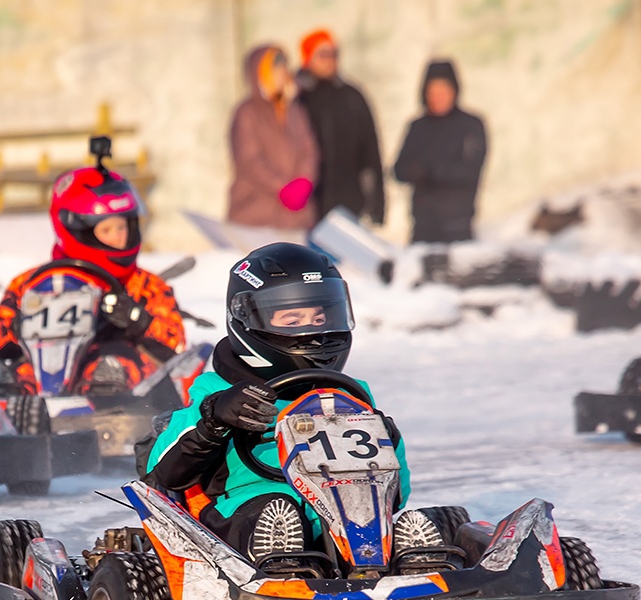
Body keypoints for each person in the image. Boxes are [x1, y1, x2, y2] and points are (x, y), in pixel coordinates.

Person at [144, 242, 425, 563]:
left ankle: (426, 560)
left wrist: (387, 435)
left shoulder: (350, 395)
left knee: (434, 520)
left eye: (320, 319)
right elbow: (161, 473)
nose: (314, 334)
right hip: (242, 518)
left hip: (344, 518)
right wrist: (214, 419)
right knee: (278, 510)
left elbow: (397, 491)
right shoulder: (215, 390)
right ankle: (283, 562)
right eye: (293, 322)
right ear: (247, 318)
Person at [0, 155, 186, 395]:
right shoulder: (31, 283)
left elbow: (176, 343)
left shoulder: (143, 285)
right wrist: (16, 326)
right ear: (81, 231)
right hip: (43, 375)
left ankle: (102, 405)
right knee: (13, 375)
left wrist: (136, 320)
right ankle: (6, 408)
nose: (118, 238)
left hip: (115, 380)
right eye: (107, 230)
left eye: (122, 227)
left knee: (111, 368)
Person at [295, 29, 386, 225]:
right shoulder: (297, 99)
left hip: (349, 204)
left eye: (334, 54)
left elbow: (371, 151)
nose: (330, 60)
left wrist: (376, 204)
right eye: (323, 54)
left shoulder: (352, 97)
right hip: (307, 207)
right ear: (307, 58)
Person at [393, 59, 487, 244]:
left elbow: (469, 171)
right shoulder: (417, 127)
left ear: (454, 90)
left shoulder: (471, 125)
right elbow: (398, 170)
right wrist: (415, 171)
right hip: (422, 227)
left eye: (443, 91)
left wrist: (430, 172)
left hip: (458, 226)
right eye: (432, 92)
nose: (438, 97)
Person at [227, 45, 319, 231]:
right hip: (255, 216)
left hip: (295, 218)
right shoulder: (247, 112)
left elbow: (309, 150)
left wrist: (303, 183)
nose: (283, 73)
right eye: (276, 68)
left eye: (284, 66)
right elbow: (249, 160)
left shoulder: (294, 110)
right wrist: (282, 188)